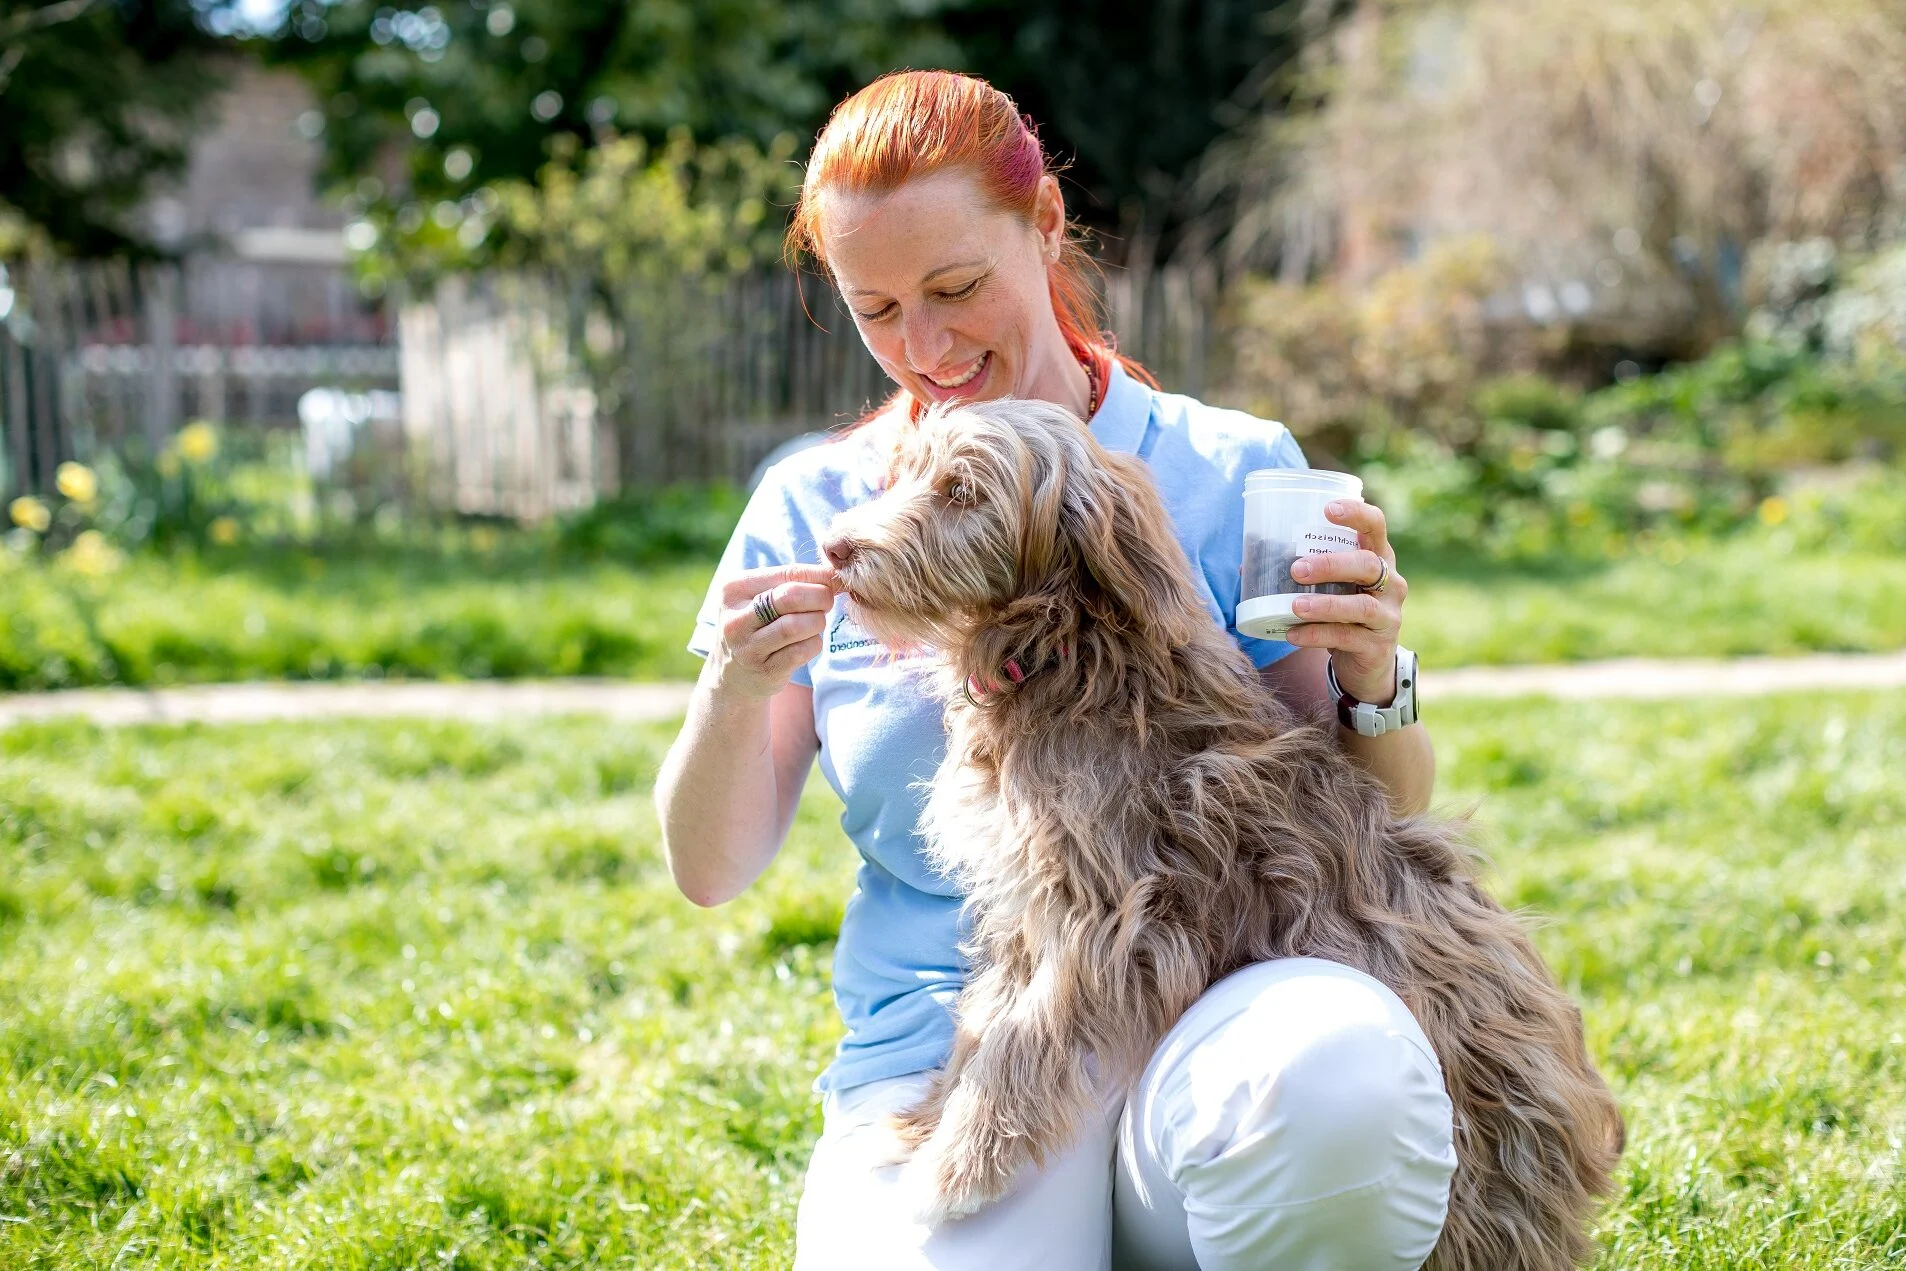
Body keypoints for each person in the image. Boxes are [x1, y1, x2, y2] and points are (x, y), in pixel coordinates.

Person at [655, 70, 1453, 1271]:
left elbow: (1371, 814)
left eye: (955, 288)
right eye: (875, 309)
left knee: (1340, 1076)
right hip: (943, 1061)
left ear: (1042, 227)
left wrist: (1376, 673)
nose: (925, 347)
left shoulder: (1232, 468)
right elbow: (710, 869)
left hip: (1209, 1020)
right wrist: (733, 688)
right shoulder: (816, 505)